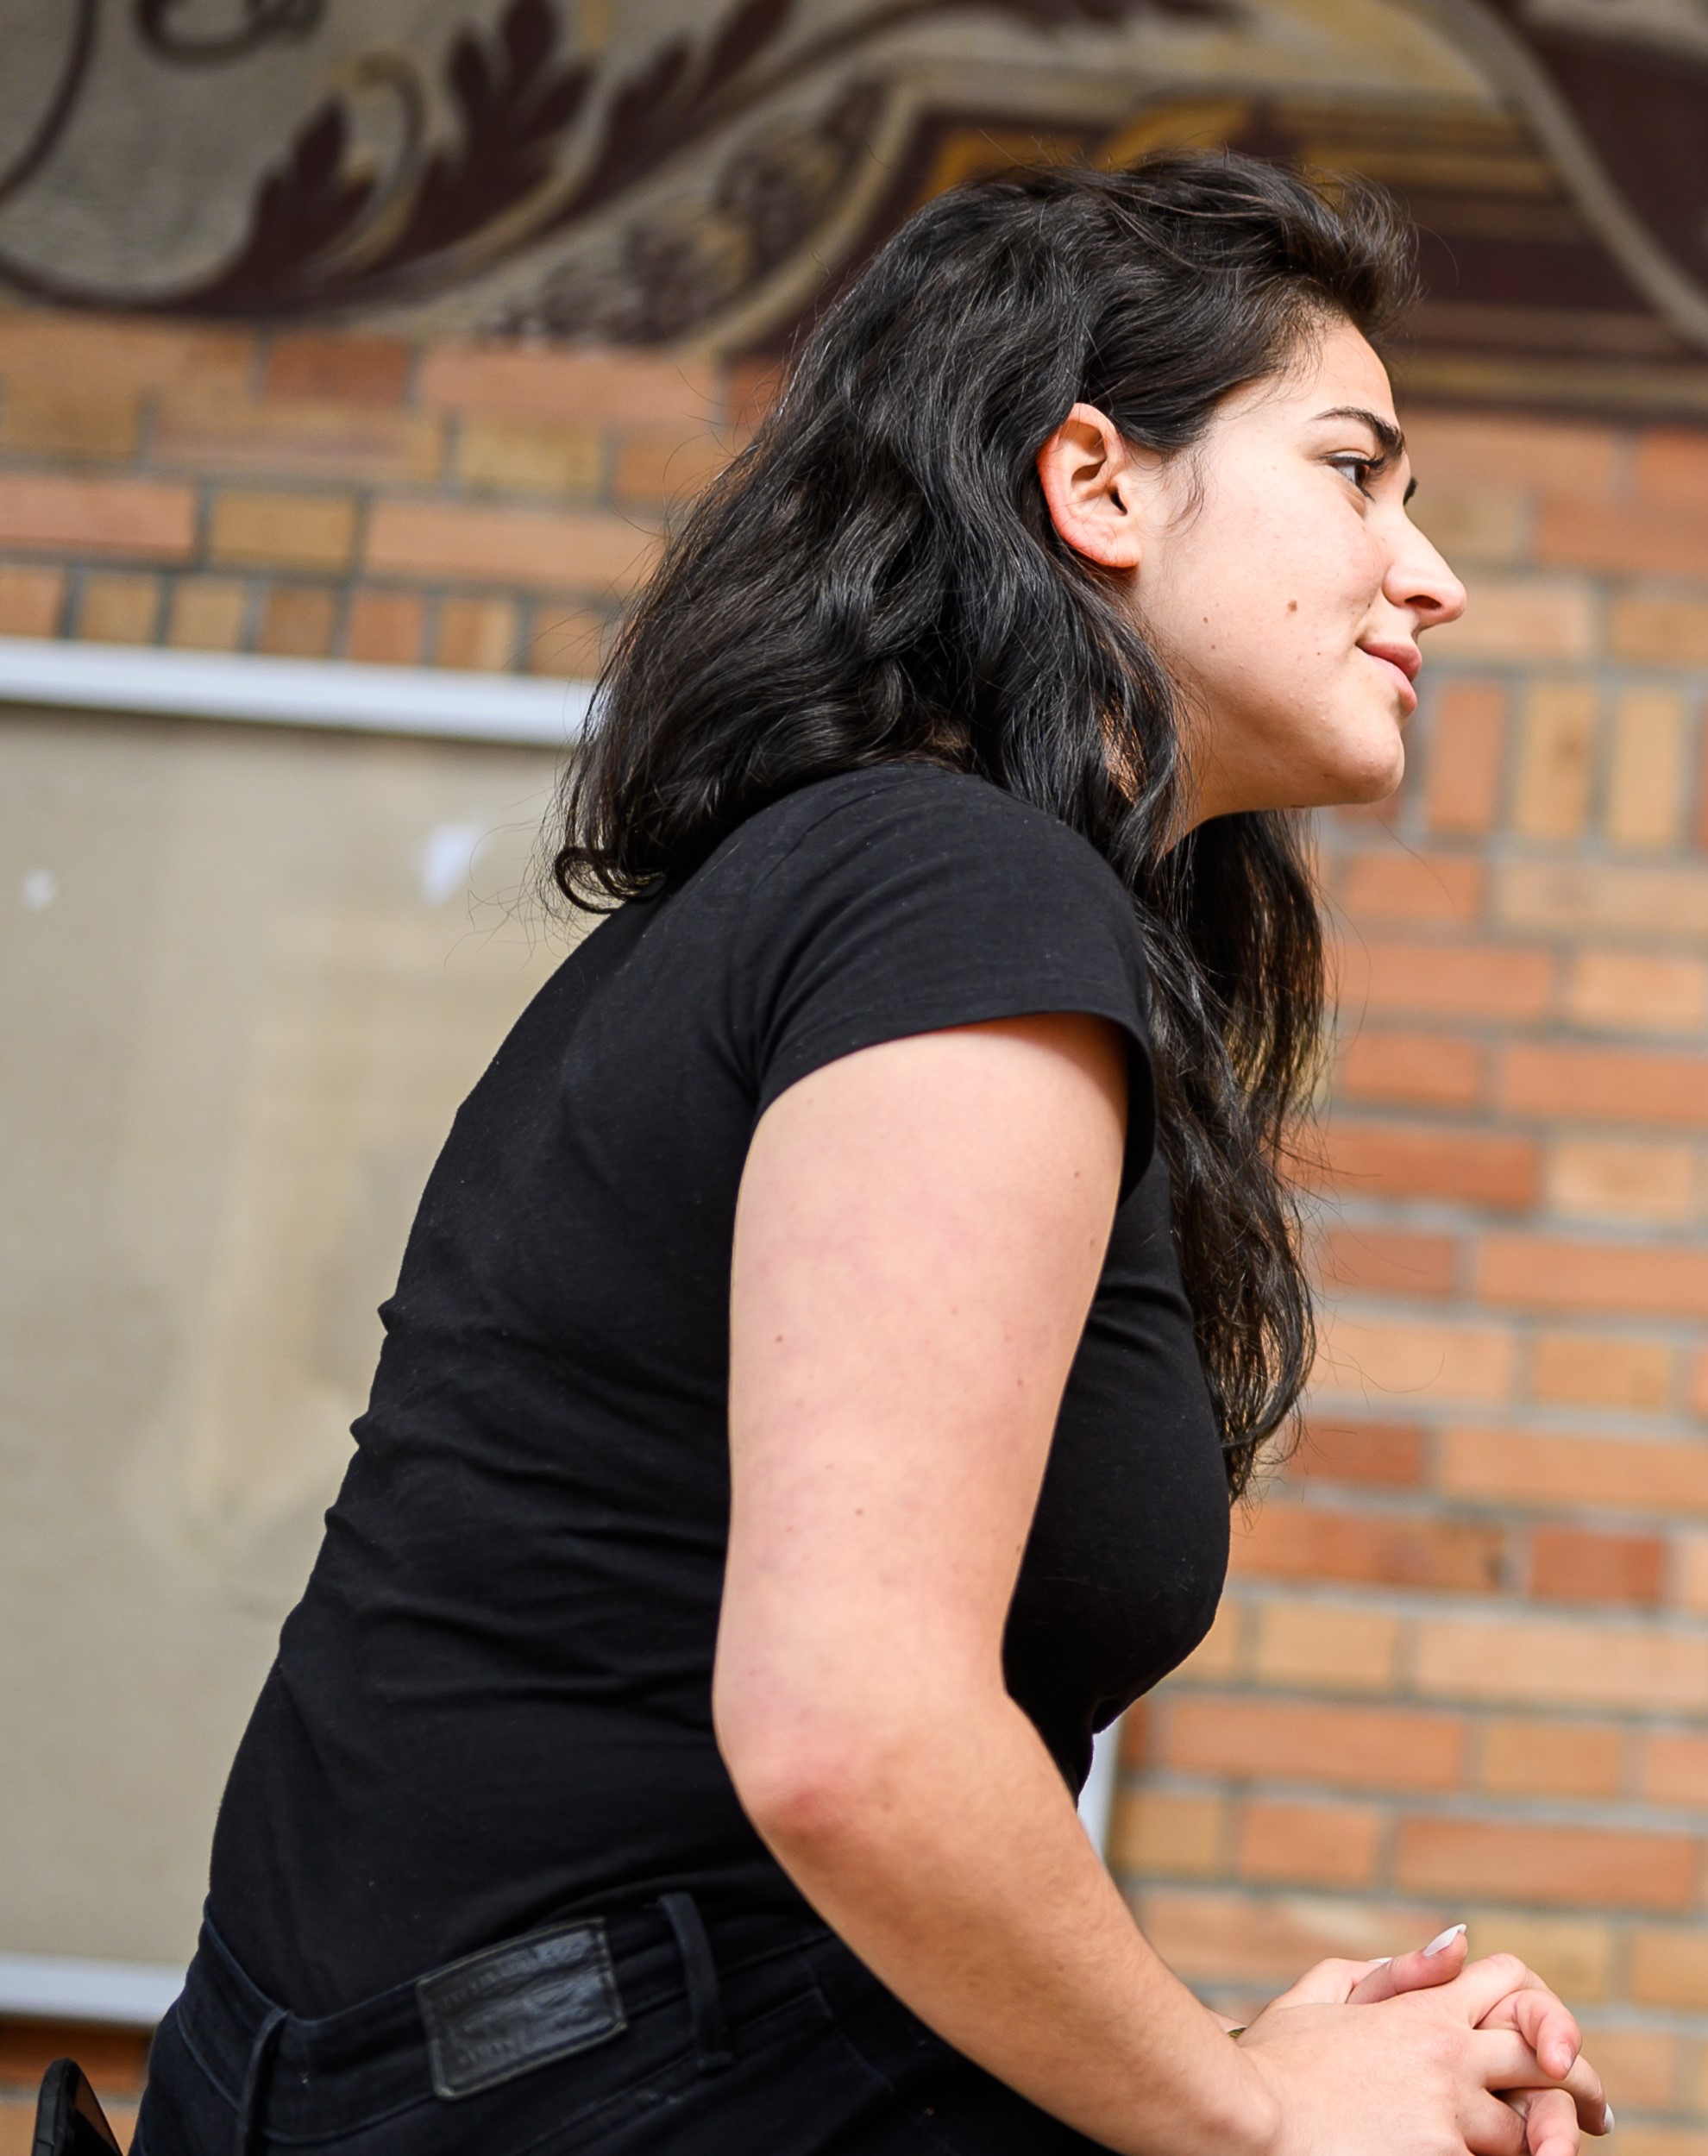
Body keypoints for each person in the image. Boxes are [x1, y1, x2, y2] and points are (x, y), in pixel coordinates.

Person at [135, 154, 1613, 2156]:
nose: (1426, 571)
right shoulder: (948, 890)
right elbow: (850, 1735)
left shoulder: (881, 888)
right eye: (1355, 472)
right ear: (1093, 483)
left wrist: (1267, 2059)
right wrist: (1257, 2117)